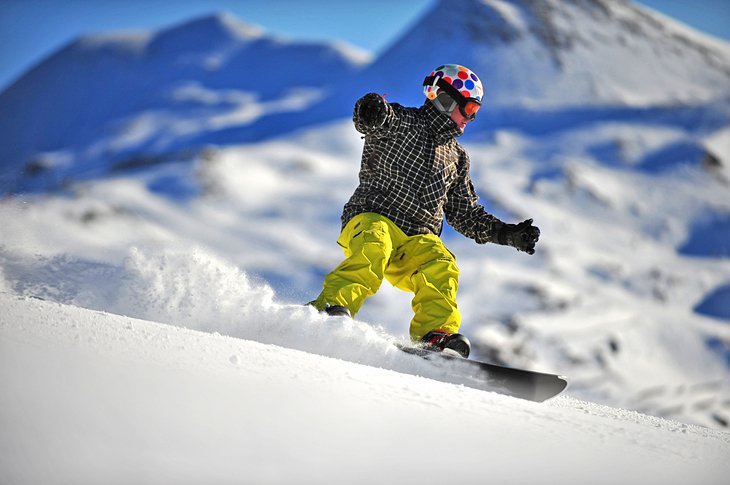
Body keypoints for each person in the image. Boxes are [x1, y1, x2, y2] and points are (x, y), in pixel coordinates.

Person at [309, 64, 540, 358]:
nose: (471, 118)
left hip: (415, 240)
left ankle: (435, 335)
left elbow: (465, 213)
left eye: (475, 113)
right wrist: (371, 110)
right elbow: (374, 122)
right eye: (469, 109)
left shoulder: (457, 158)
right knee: (373, 247)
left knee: (441, 262)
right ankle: (328, 311)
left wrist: (506, 234)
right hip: (372, 217)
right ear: (445, 99)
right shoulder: (403, 122)